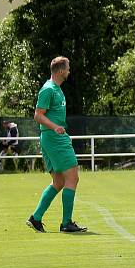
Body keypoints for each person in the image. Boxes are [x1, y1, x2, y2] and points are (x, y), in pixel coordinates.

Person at [26, 56, 87, 233]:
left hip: (54, 137)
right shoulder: (48, 89)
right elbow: (38, 115)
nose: (69, 71)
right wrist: (56, 128)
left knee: (59, 181)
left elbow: (53, 117)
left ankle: (35, 218)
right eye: (68, 68)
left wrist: (62, 131)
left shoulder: (57, 89)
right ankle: (66, 223)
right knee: (73, 177)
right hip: (53, 138)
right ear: (61, 70)